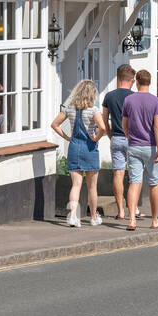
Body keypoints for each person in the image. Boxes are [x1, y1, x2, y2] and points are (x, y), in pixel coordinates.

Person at [51, 80, 108, 228]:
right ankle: (94, 217)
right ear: (91, 94)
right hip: (89, 149)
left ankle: (73, 216)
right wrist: (96, 137)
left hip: (74, 147)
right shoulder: (93, 110)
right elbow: (102, 127)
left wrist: (66, 137)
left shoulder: (69, 109)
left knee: (75, 185)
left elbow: (54, 124)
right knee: (92, 187)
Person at [121, 69, 158, 230]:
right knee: (153, 183)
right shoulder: (156, 101)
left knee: (134, 182)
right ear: (150, 82)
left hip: (134, 145)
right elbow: (157, 126)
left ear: (137, 82)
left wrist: (129, 137)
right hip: (151, 146)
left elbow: (124, 124)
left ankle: (131, 220)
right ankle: (155, 220)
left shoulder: (128, 100)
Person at [101, 65, 136, 221]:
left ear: (118, 78)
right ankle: (133, 210)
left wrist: (110, 136)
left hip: (116, 137)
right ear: (132, 80)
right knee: (135, 176)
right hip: (133, 139)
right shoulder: (134, 97)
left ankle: (121, 211)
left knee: (118, 174)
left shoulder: (109, 96)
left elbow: (104, 121)